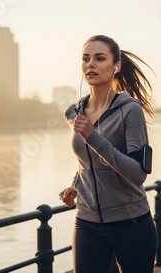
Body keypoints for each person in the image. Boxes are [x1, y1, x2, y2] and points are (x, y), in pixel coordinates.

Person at [59, 34, 156, 273]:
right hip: (87, 223)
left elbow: (137, 173)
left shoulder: (130, 111)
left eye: (99, 58)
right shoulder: (74, 113)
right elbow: (86, 161)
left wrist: (93, 137)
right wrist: (75, 185)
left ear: (116, 66)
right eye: (85, 59)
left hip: (131, 223)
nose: (90, 64)